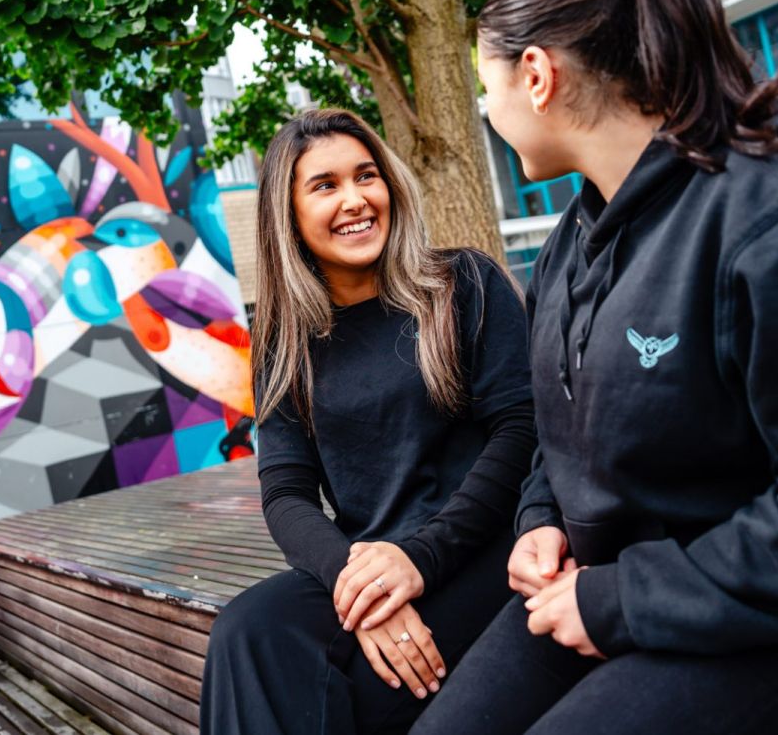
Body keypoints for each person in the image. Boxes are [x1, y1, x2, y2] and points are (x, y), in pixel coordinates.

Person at [411, 0, 778, 735]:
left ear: (537, 74)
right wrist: (542, 521)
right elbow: (563, 433)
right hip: (614, 588)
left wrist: (623, 599)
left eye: (487, 87)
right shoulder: (569, 245)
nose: (489, 111)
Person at [199, 108, 538, 734]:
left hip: (481, 550)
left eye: (366, 176)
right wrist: (357, 587)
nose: (355, 199)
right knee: (247, 631)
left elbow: (521, 431)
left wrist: (420, 558)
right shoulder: (284, 343)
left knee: (350, 691)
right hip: (372, 567)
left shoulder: (462, 284)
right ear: (289, 216)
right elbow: (286, 493)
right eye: (324, 185)